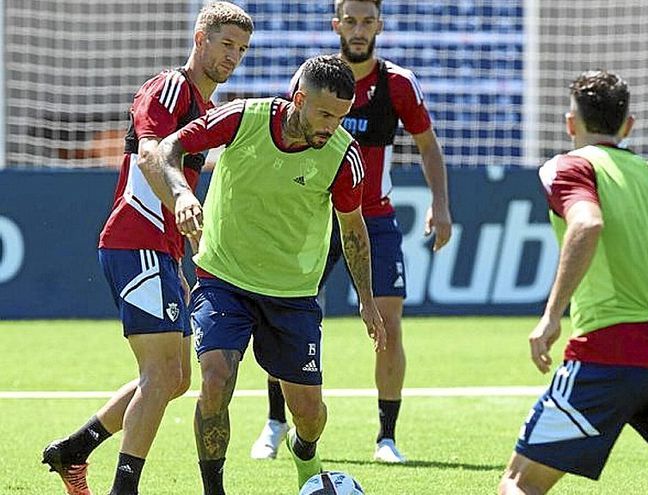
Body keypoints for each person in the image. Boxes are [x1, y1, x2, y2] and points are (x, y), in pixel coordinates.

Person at [146, 55, 386, 494]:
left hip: (292, 294)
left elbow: (353, 229)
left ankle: (304, 454)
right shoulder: (243, 118)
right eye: (325, 114)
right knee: (216, 380)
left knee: (309, 414)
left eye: (341, 116)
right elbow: (169, 148)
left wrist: (367, 302)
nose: (332, 125)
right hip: (224, 278)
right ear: (298, 100)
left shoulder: (342, 155)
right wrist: (181, 193)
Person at [40, 3, 252, 495]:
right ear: (200, 38)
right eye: (226, 45)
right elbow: (152, 152)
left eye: (241, 50)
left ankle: (74, 450)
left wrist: (176, 255)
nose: (233, 57)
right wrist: (181, 195)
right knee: (160, 374)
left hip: (158, 249)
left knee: (175, 378)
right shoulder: (171, 88)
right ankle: (124, 489)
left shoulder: (206, 110)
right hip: (133, 241)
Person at [498, 70, 648, 495]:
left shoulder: (569, 166)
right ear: (628, 125)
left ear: (571, 124)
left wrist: (550, 318)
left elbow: (586, 224)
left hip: (607, 353)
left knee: (517, 483)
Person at [250, 0, 452, 464]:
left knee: (389, 326)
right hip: (316, 218)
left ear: (379, 25)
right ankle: (276, 424)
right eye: (350, 20)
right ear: (335, 24)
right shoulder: (313, 79)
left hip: (375, 220)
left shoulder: (397, 84)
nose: (358, 30)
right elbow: (285, 138)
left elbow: (428, 145)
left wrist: (440, 205)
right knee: (285, 316)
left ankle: (386, 438)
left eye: (367, 21)